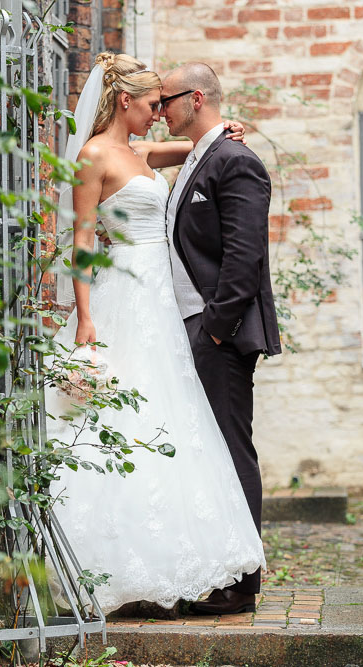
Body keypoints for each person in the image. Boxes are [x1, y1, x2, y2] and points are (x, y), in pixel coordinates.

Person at [44, 52, 265, 614]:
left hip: (163, 301)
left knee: (170, 419)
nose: (157, 115)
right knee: (116, 417)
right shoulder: (94, 156)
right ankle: (112, 566)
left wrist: (229, 128)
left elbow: (201, 147)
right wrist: (86, 316)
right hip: (122, 296)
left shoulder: (141, 153)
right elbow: (84, 241)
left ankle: (169, 562)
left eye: (164, 105)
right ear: (125, 101)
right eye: (150, 105)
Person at [160, 62, 282, 616]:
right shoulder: (199, 156)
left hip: (218, 336)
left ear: (197, 97)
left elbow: (244, 256)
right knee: (206, 453)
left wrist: (213, 329)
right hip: (186, 328)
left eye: (167, 100)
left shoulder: (237, 161)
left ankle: (242, 584)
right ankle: (218, 567)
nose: (161, 110)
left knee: (233, 452)